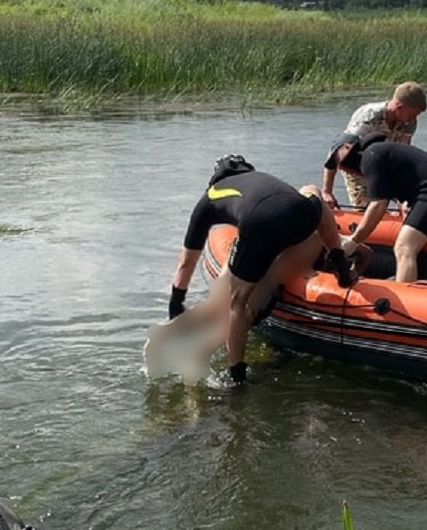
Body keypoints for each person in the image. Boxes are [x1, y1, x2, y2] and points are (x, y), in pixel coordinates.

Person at [150, 154, 354, 384]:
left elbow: (186, 263)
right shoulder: (259, 178)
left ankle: (237, 372)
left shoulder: (210, 198)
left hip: (260, 223)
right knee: (314, 195)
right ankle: (339, 263)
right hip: (301, 214)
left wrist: (175, 304)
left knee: (237, 303)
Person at [327, 133, 427, 283]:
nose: (339, 167)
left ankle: (404, 300)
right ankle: (407, 279)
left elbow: (378, 205)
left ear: (347, 146)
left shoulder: (370, 156)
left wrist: (354, 241)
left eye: (336, 160)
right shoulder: (377, 153)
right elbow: (399, 181)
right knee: (409, 241)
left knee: (404, 248)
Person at [321, 81, 427, 209]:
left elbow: (404, 154)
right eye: (412, 115)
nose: (413, 119)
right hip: (356, 163)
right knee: (367, 206)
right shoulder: (368, 117)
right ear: (398, 107)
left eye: (416, 115)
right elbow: (337, 151)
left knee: (409, 200)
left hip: (385, 163)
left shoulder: (409, 122)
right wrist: (327, 192)